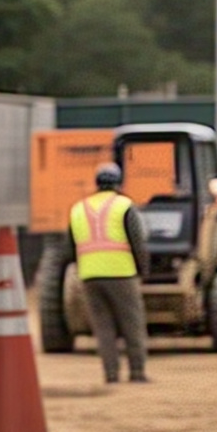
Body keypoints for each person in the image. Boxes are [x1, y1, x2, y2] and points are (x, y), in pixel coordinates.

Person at [68, 162, 150, 384]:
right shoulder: (124, 206)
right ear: (117, 182)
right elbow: (137, 241)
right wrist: (143, 270)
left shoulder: (78, 209)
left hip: (90, 276)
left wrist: (83, 269)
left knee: (103, 328)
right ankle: (137, 372)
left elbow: (71, 247)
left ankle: (111, 375)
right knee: (132, 323)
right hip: (121, 273)